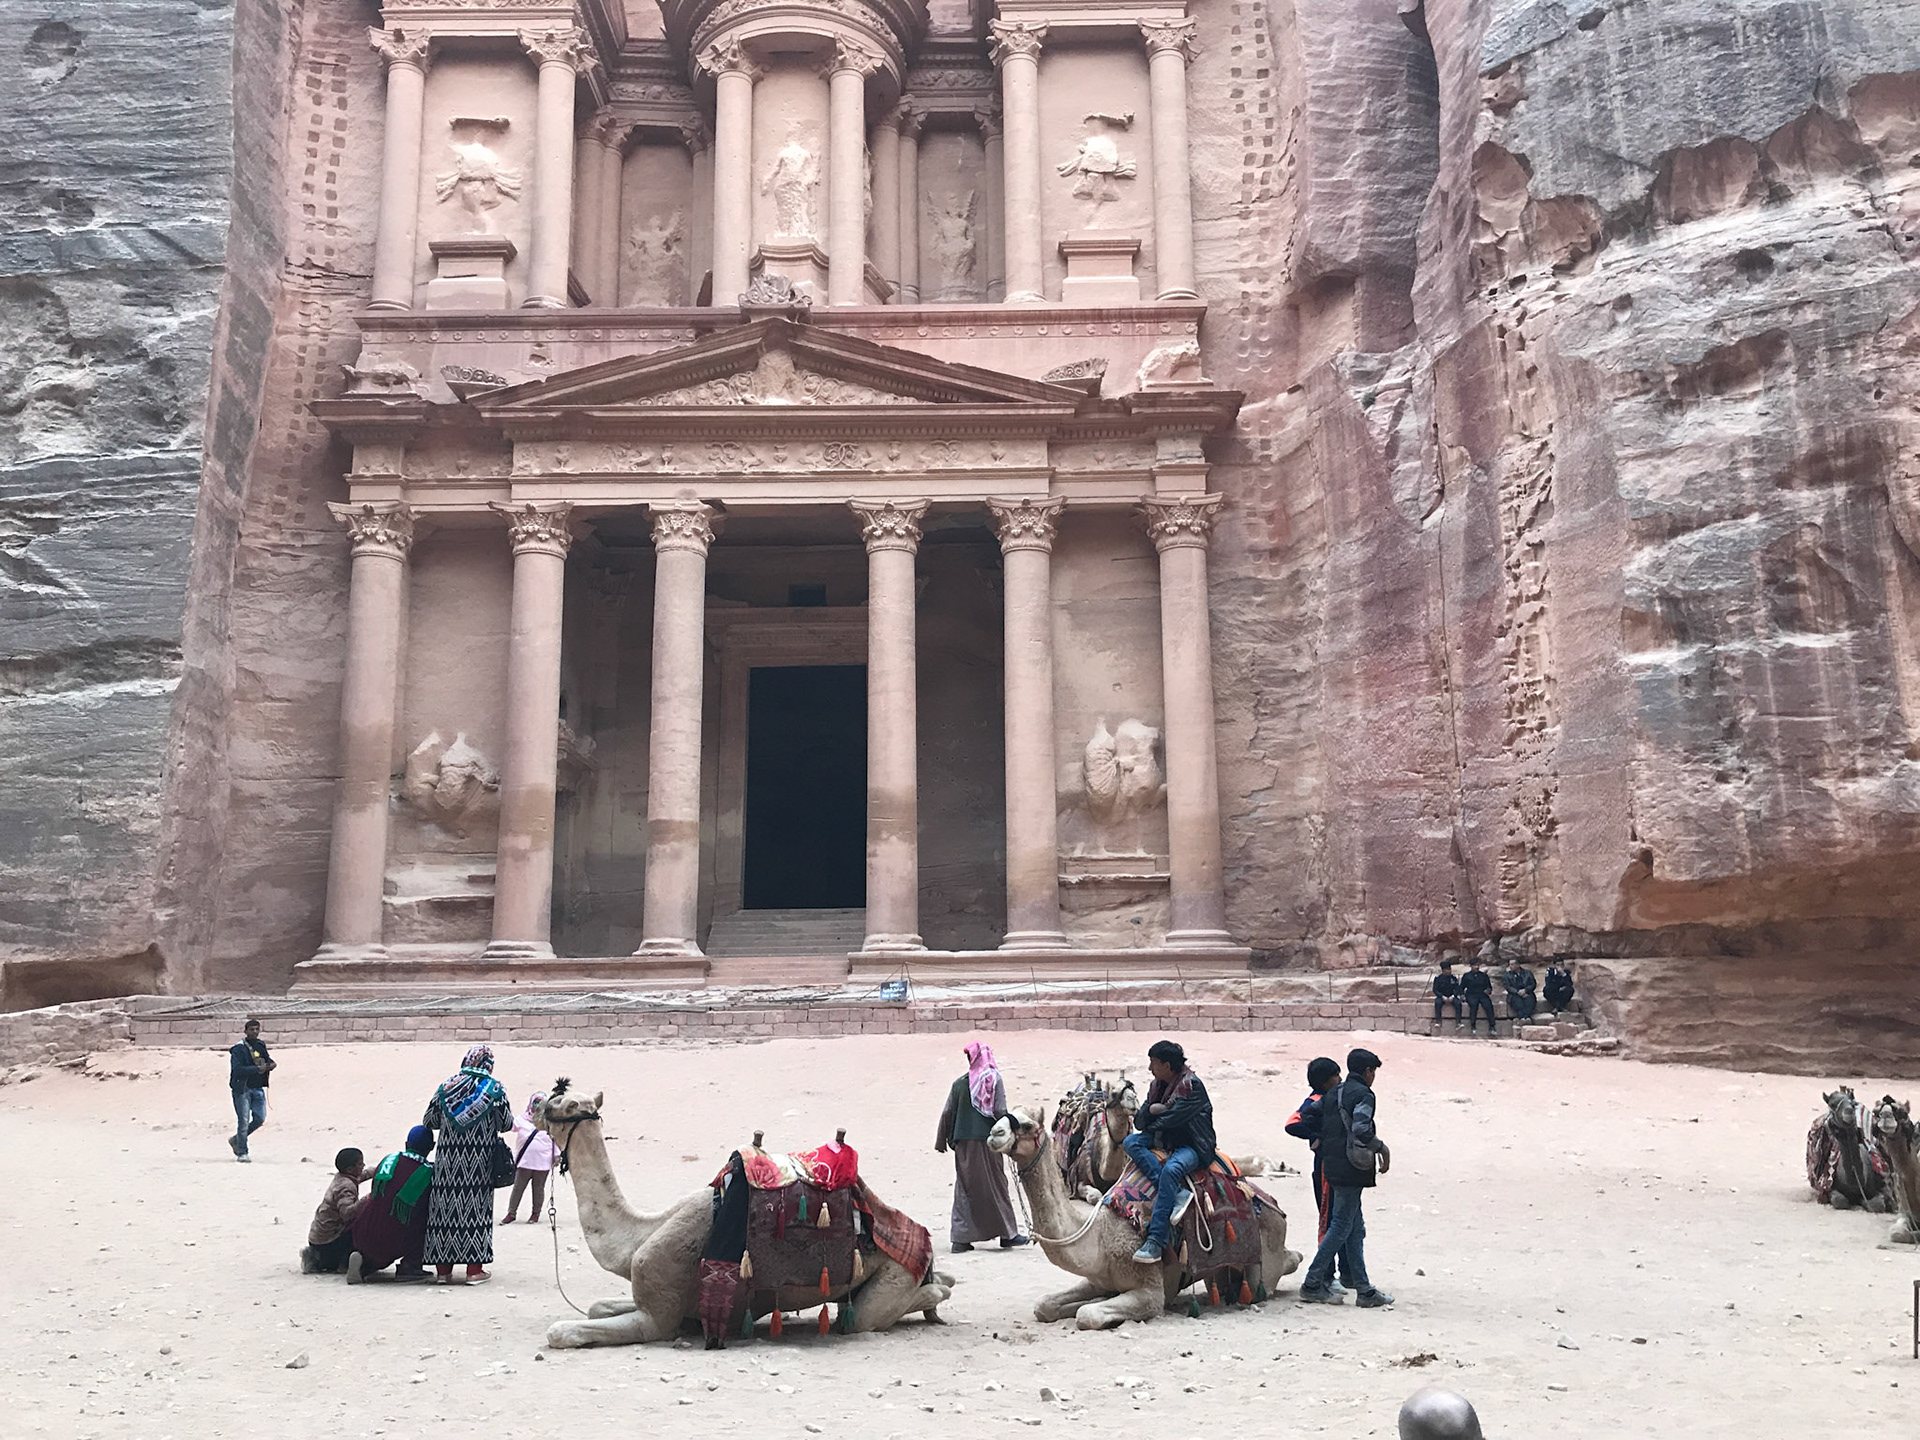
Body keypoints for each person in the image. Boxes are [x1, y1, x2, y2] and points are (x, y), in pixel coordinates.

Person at [1299, 1046, 1392, 1308]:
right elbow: (1361, 1128)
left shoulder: (1334, 1092)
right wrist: (1381, 1149)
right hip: (1353, 1167)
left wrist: (1323, 1138)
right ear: (1368, 1071)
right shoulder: (1364, 1094)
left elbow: (1307, 1115)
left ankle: (1363, 1288)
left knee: (1354, 1227)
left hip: (1332, 1164)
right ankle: (1312, 1283)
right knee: (1341, 1225)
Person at [422, 1043, 512, 1285]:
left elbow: (429, 1121)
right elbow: (505, 1123)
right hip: (480, 1165)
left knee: (444, 1212)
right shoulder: (494, 1089)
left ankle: (443, 1272)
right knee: (475, 1211)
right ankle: (474, 1270)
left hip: (447, 1164)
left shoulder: (446, 1087)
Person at [1122, 1039, 1216, 1264]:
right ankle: (1176, 1194)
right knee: (1130, 1142)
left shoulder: (1191, 1086)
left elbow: (1170, 1120)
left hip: (1192, 1145)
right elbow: (1140, 1122)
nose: (1149, 1068)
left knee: (1171, 1170)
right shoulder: (1157, 1086)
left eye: (1153, 1063)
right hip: (1163, 1138)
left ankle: (1155, 1241)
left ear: (1166, 1065)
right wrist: (1155, 1110)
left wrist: (1157, 1114)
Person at [934, 1041, 1027, 1252]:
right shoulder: (993, 1080)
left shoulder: (959, 1084)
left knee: (965, 1187)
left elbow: (948, 1112)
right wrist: (1013, 1123)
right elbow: (999, 1110)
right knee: (996, 1185)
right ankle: (1008, 1234)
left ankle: (960, 1239)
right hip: (988, 1143)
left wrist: (941, 1141)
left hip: (963, 1145)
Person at [1283, 1056, 1354, 1297]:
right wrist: (1318, 1135)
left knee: (1344, 1221)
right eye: (1336, 1076)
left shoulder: (1336, 1098)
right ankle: (1326, 1275)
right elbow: (1292, 1123)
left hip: (1339, 1166)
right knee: (1328, 1221)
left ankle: (1346, 1272)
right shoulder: (1316, 1101)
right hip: (1324, 1168)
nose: (1340, 1079)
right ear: (1325, 1081)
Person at [348, 1126, 435, 1283]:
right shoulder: (428, 1172)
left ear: (406, 1144)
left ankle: (363, 1263)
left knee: (376, 1257)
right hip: (394, 1237)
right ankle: (410, 1266)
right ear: (432, 1147)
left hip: (363, 1229)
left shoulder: (389, 1159)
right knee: (428, 1221)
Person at [302, 1147, 370, 1274]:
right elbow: (347, 1213)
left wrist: (379, 1170)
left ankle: (317, 1256)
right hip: (329, 1240)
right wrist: (366, 1200)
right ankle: (337, 1263)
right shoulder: (346, 1186)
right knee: (361, 1229)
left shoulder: (343, 1177)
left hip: (318, 1237)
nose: (363, 1166)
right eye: (360, 1164)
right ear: (350, 1169)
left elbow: (365, 1174)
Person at [501, 1091, 558, 1225]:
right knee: (518, 1188)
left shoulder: (550, 1122)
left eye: (541, 1103)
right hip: (525, 1161)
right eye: (535, 1102)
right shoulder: (522, 1119)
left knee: (538, 1189)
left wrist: (556, 1155)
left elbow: (555, 1140)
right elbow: (510, 1126)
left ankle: (535, 1214)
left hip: (543, 1162)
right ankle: (511, 1213)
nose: (537, 1106)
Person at [228, 1018, 275, 1161]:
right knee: (243, 1121)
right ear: (246, 1031)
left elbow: (267, 1059)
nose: (254, 1032)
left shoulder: (260, 1045)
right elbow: (237, 1070)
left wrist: (271, 1065)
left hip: (258, 1088)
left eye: (257, 1029)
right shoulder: (239, 1049)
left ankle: (236, 1140)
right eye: (251, 1029)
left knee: (260, 1118)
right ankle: (242, 1152)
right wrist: (257, 1069)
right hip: (243, 1089)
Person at [1461, 957, 1497, 1036]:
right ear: (1471, 966)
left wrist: (1488, 990)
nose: (1476, 967)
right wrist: (1462, 995)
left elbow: (1489, 987)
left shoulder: (1484, 976)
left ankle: (1492, 1026)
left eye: (1477, 965)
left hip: (1482, 994)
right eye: (1474, 965)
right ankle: (1473, 1025)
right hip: (1471, 994)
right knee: (1473, 1005)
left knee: (1488, 1005)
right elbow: (1461, 987)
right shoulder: (1466, 976)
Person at [1431, 958, 1463, 1031]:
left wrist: (1453, 996)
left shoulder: (1453, 978)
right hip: (1442, 996)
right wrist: (1442, 996)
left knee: (1458, 1003)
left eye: (1450, 969)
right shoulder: (1438, 978)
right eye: (1447, 969)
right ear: (1443, 970)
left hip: (1452, 996)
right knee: (1437, 1003)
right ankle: (1438, 1022)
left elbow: (1457, 988)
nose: (1449, 971)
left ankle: (1458, 1022)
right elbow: (1435, 990)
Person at [1503, 957, 1538, 1023]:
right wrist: (1517, 992)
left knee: (1529, 1001)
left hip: (1527, 992)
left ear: (1518, 965)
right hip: (1514, 994)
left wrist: (1525, 990)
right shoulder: (1507, 975)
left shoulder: (1528, 973)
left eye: (1512, 964)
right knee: (1518, 1003)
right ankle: (1522, 1018)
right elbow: (1507, 986)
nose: (1510, 966)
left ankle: (1526, 1017)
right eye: (1510, 964)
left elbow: (1533, 984)